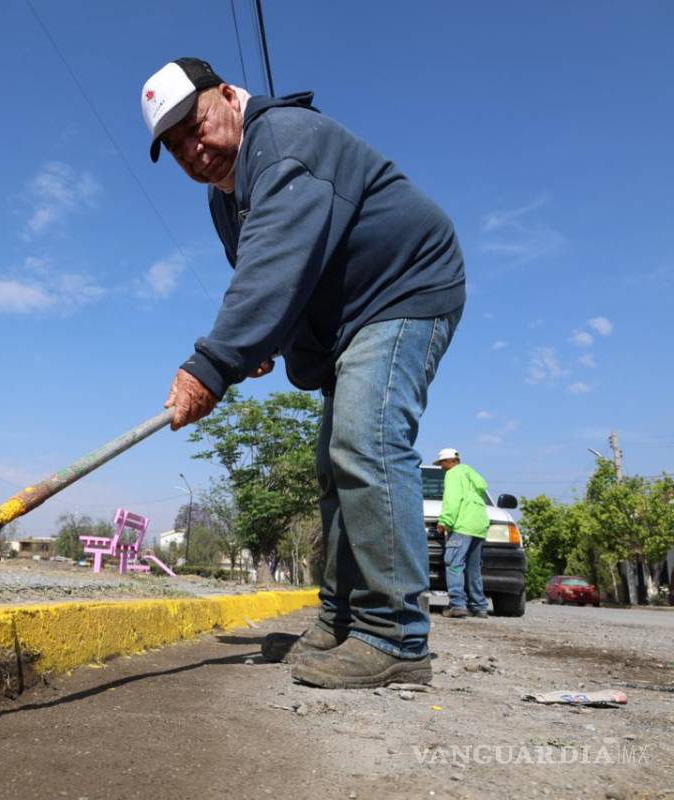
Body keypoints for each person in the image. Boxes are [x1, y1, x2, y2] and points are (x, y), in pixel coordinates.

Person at [141, 58, 466, 688]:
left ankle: (394, 635)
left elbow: (276, 260)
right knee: (333, 465)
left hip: (405, 287)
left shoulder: (286, 140)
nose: (192, 151)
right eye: (176, 147)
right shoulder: (224, 199)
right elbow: (269, 278)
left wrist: (210, 365)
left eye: (195, 126)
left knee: (366, 444)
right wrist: (270, 337)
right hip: (350, 317)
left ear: (230, 95)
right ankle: (341, 619)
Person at [434, 448, 490, 618]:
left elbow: (452, 499)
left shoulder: (453, 474)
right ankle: (479, 606)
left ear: (448, 461)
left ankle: (457, 605)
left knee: (455, 565)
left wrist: (445, 521)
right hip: (478, 526)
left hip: (462, 526)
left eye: (442, 463)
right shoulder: (471, 475)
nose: (442, 467)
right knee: (473, 569)